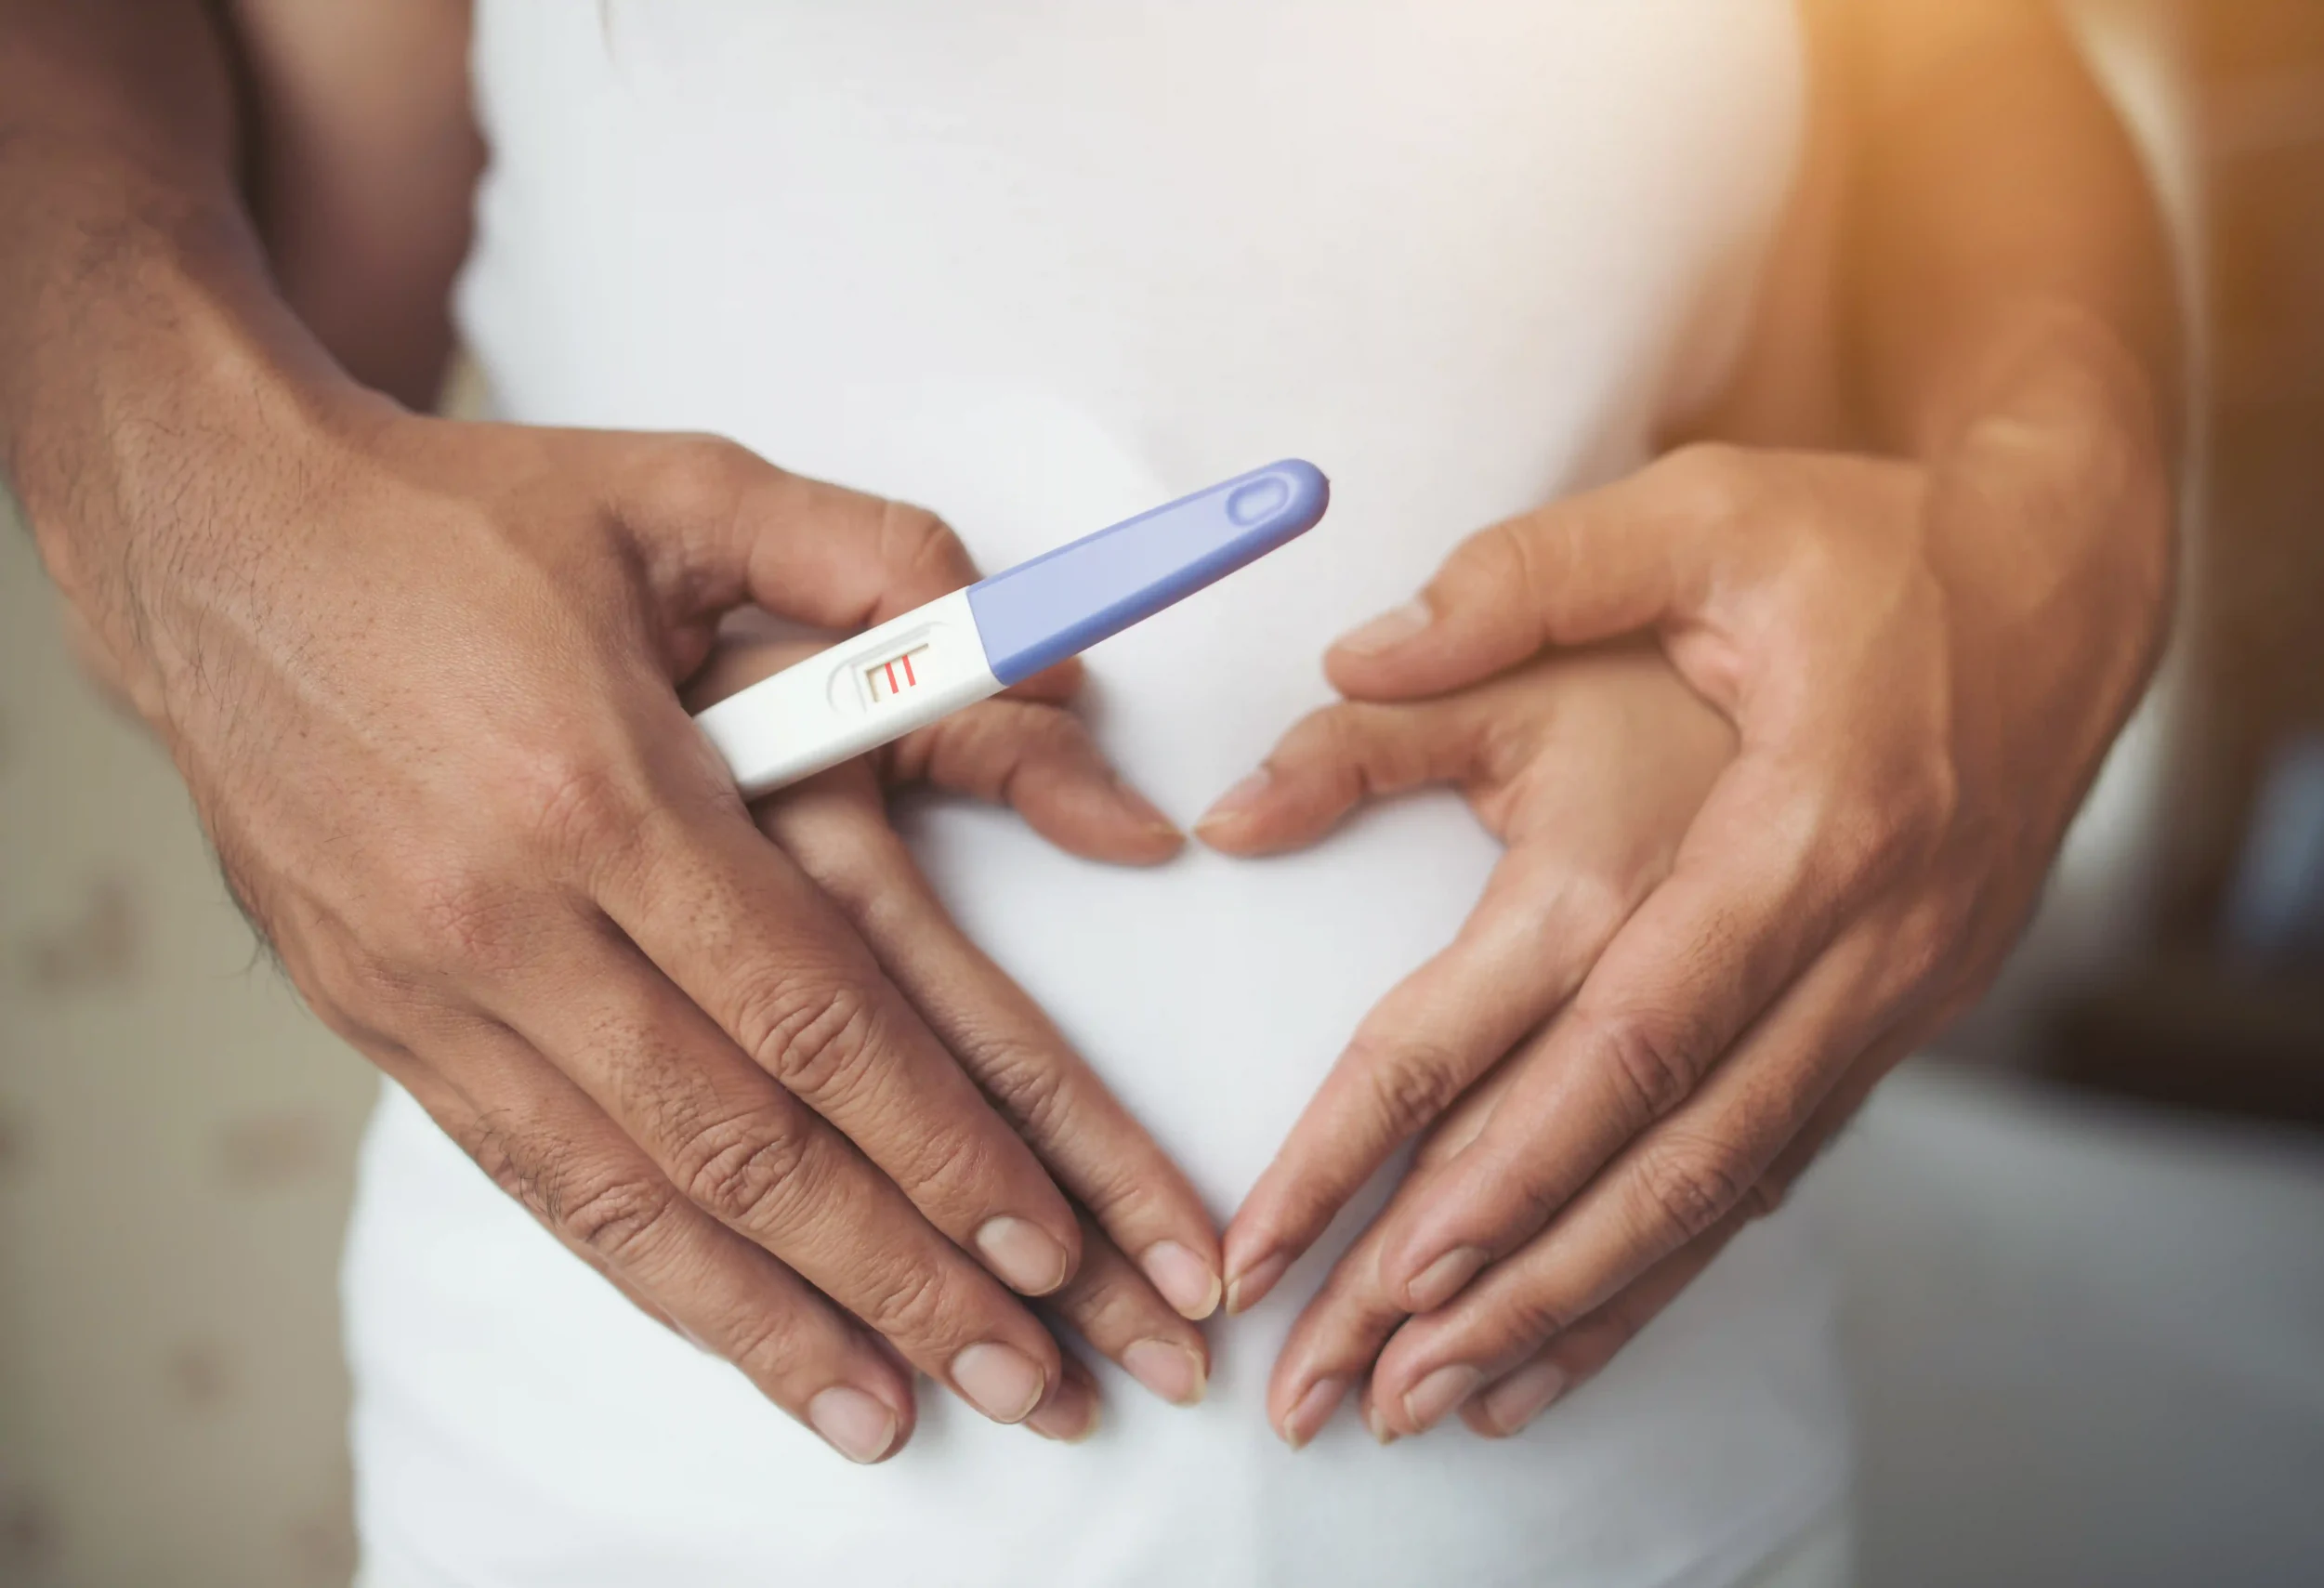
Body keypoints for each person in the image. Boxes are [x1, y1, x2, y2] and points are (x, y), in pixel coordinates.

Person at [0, 1, 2175, 1584]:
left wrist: (2060, 506)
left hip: (1642, 1497)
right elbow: (241, 423)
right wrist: (176, 495)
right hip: (664, 1503)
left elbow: (1962, 80)